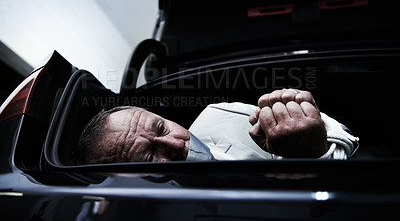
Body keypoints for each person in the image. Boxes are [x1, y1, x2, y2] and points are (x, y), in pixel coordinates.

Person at [77, 89, 359, 164]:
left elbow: (347, 137)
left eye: (161, 129)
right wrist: (312, 160)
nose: (176, 144)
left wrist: (313, 134)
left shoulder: (217, 113)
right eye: (147, 156)